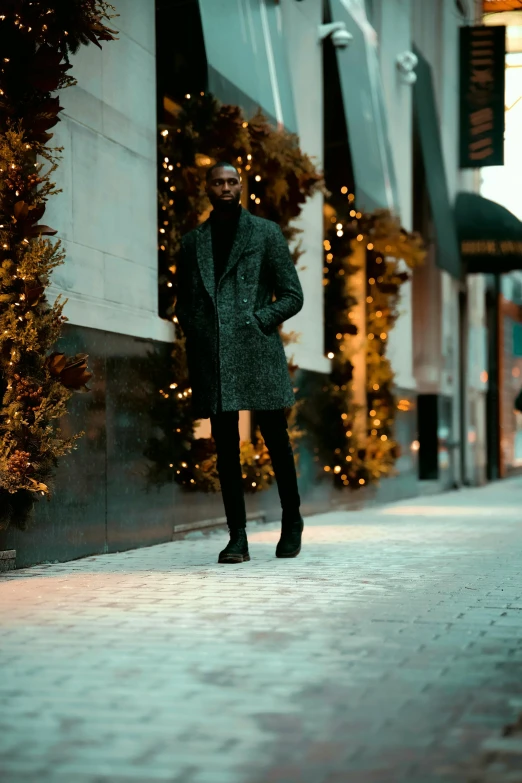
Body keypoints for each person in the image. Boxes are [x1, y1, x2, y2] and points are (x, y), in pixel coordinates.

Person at [174, 161, 305, 564]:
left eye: (232, 181)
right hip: (214, 356)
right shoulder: (193, 241)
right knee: (226, 449)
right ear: (208, 188)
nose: (226, 187)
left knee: (276, 441)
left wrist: (259, 320)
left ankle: (292, 520)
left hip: (258, 350)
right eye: (218, 182)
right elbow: (185, 303)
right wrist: (198, 334)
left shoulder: (265, 233)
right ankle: (238, 537)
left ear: (241, 185)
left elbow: (293, 295)